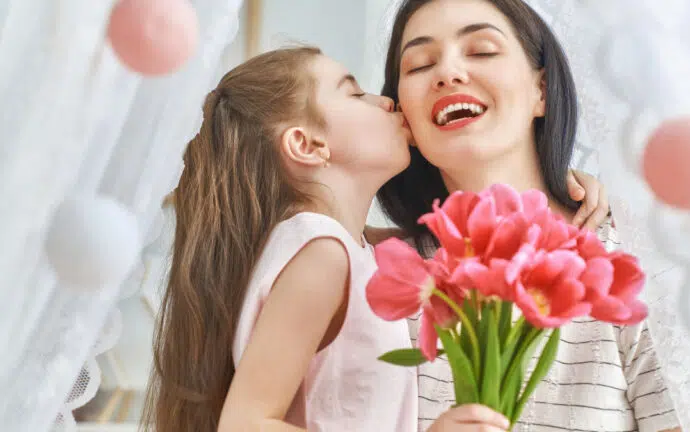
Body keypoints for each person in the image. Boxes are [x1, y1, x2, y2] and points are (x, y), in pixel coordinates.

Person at [140, 46, 518, 432]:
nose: (386, 102)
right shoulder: (322, 253)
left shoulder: (350, 249)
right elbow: (244, 424)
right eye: (355, 94)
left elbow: (458, 236)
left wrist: (569, 189)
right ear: (307, 145)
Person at [373, 1, 682, 431]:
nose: (448, 72)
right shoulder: (384, 281)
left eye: (481, 50)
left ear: (541, 90)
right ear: (403, 115)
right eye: (420, 64)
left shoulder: (632, 264)